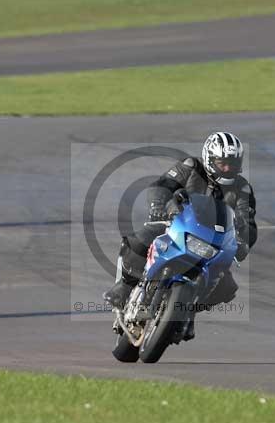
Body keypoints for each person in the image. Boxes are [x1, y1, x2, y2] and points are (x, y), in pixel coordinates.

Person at [103, 131, 257, 340]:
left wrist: (243, 241)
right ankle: (126, 285)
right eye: (223, 163)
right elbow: (163, 185)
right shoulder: (191, 167)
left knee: (226, 287)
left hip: (212, 242)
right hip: (176, 225)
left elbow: (247, 221)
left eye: (233, 163)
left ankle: (186, 310)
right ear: (210, 159)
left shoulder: (242, 188)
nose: (228, 168)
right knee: (140, 240)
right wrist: (160, 204)